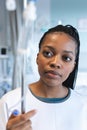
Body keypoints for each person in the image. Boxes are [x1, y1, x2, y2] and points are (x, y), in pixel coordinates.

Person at [0, 24, 87, 130]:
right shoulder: (10, 102)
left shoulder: (83, 106)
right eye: (48, 53)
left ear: (73, 66)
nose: (55, 63)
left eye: (66, 58)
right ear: (37, 58)